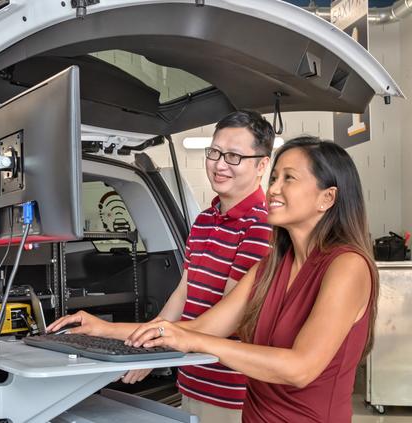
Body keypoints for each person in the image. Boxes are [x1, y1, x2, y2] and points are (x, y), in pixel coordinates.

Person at [126, 137, 378, 422]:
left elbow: (300, 368)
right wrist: (98, 331)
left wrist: (191, 339)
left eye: (289, 178)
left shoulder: (347, 266)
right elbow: (201, 328)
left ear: (327, 198)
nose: (273, 189)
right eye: (274, 178)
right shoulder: (269, 268)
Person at [48, 110, 275, 422]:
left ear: (262, 164)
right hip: (191, 380)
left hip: (230, 393)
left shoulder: (261, 227)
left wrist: (131, 338)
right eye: (215, 152)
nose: (220, 164)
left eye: (234, 156)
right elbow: (182, 296)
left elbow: (223, 324)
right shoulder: (205, 220)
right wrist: (147, 346)